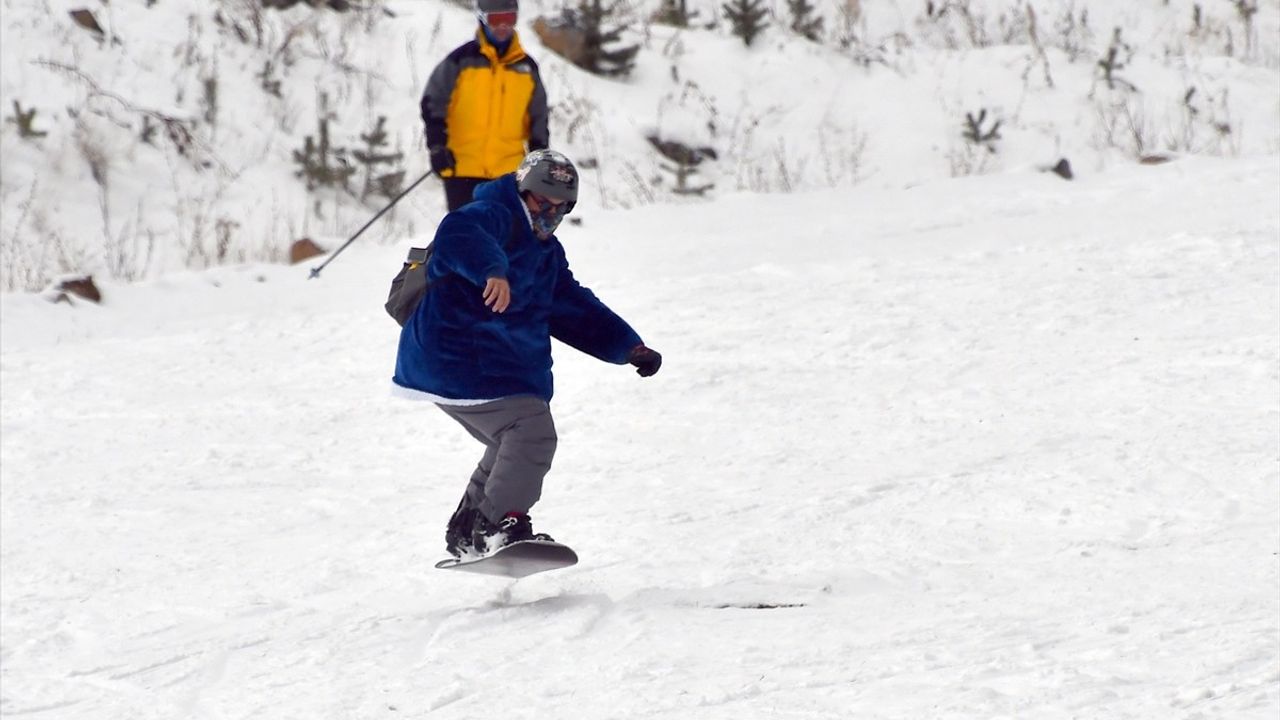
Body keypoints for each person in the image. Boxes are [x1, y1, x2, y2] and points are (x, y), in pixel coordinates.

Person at [392, 149, 663, 558]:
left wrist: (628, 346)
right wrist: (491, 271)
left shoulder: (546, 254)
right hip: (457, 357)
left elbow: (572, 306)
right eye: (542, 202)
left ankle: (469, 529)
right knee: (531, 432)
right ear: (523, 189)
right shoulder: (492, 214)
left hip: (487, 367)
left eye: (561, 208)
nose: (550, 214)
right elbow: (458, 234)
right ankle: (499, 525)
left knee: (511, 439)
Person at [420, 0, 550, 211]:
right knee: (467, 235)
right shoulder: (460, 61)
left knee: (504, 237)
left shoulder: (526, 68)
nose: (503, 26)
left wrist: (539, 156)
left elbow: (538, 116)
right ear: (482, 19)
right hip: (462, 168)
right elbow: (433, 102)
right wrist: (437, 146)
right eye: (496, 19)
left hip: (508, 173)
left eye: (509, 18)